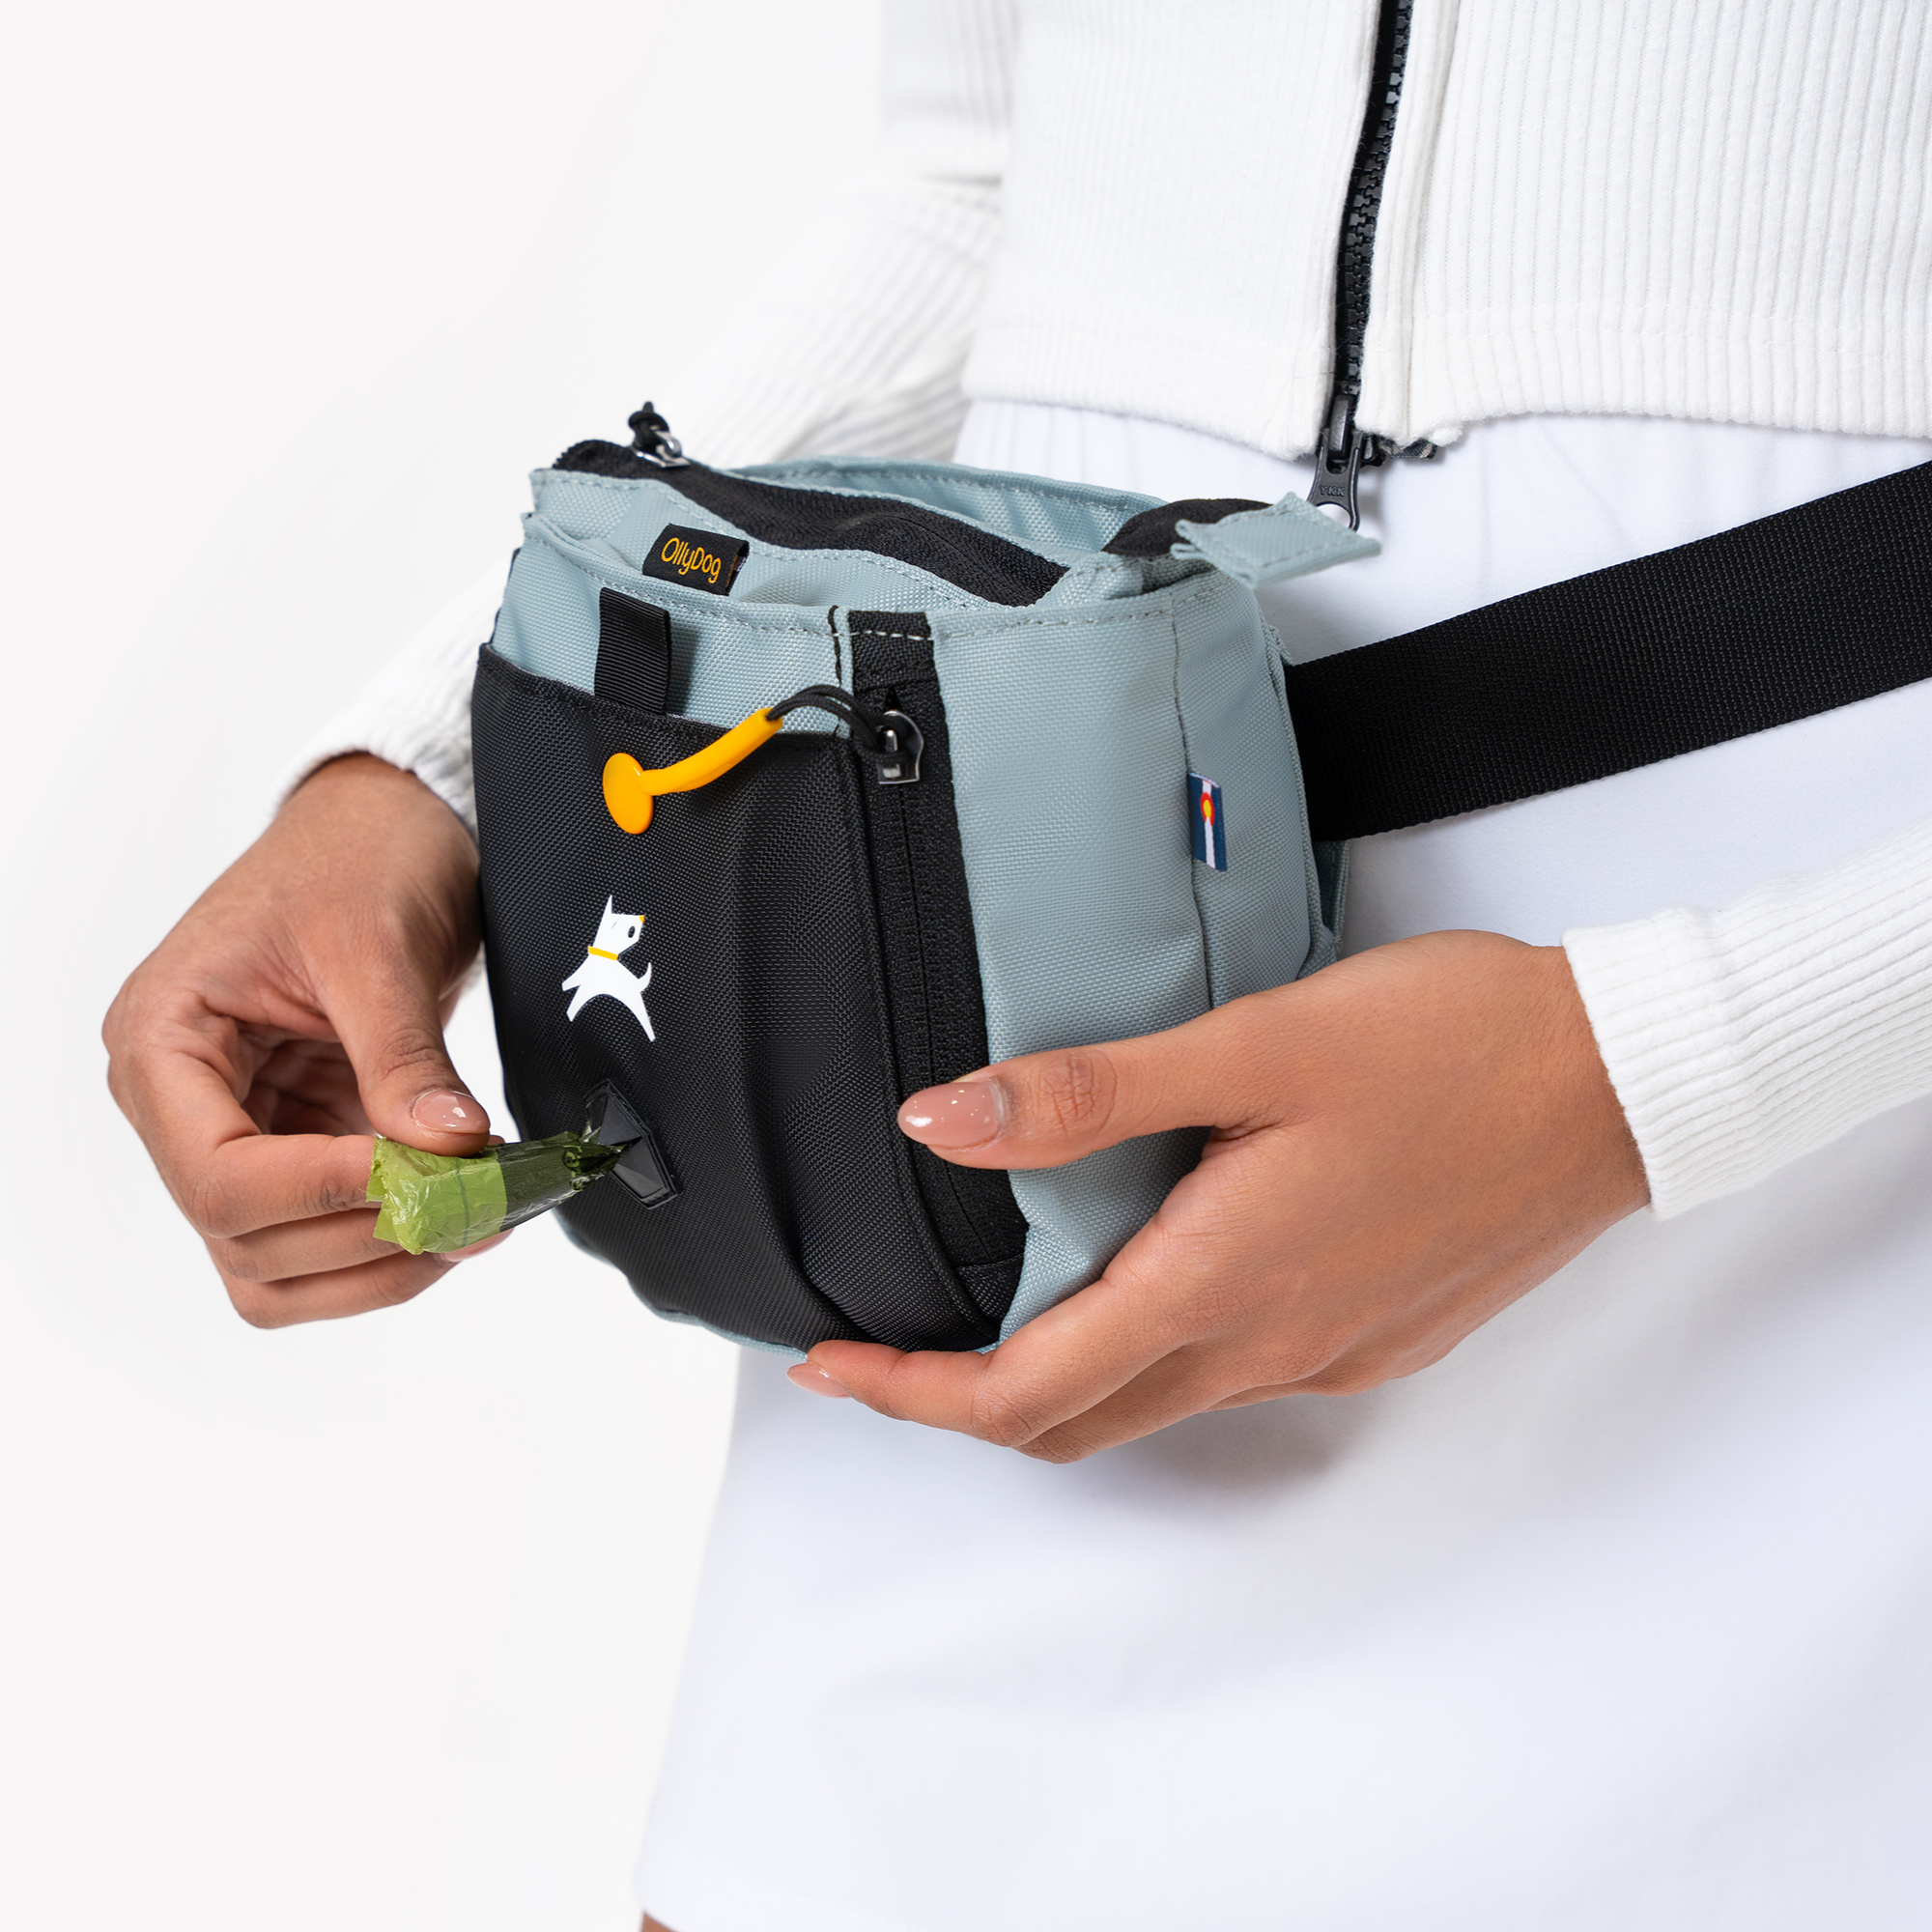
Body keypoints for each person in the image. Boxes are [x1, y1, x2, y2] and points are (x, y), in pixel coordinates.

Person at [104, 3, 1932, 1927]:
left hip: (1809, 1033)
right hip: (1001, 962)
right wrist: (451, 762)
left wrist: (1667, 1066)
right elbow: (983, 192)